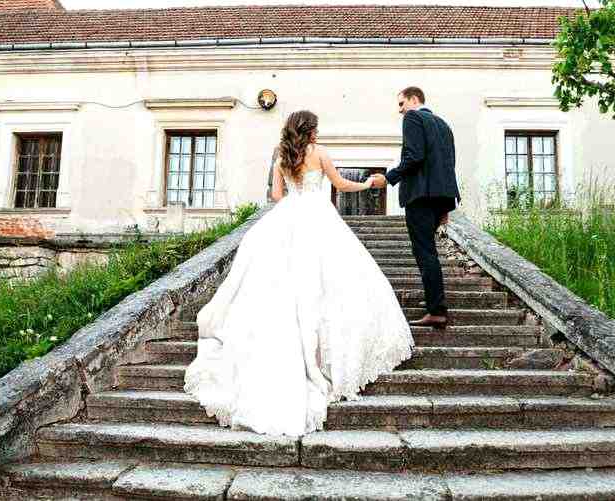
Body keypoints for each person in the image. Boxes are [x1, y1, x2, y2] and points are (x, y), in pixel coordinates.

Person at [183, 110, 414, 437]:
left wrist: (295, 191)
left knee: (285, 283)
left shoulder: (283, 156)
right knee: (329, 284)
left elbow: (277, 196)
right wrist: (367, 182)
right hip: (319, 217)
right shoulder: (319, 153)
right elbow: (340, 185)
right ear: (311, 131)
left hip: (289, 217)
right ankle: (322, 357)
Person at [369, 86, 460, 328]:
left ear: (414, 99)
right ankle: (435, 301)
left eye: (401, 104)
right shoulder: (443, 124)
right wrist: (445, 207)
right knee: (429, 251)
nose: (400, 110)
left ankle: (437, 310)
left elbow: (414, 156)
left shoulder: (413, 117)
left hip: (420, 195)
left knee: (425, 252)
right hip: (440, 196)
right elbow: (448, 163)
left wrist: (388, 178)